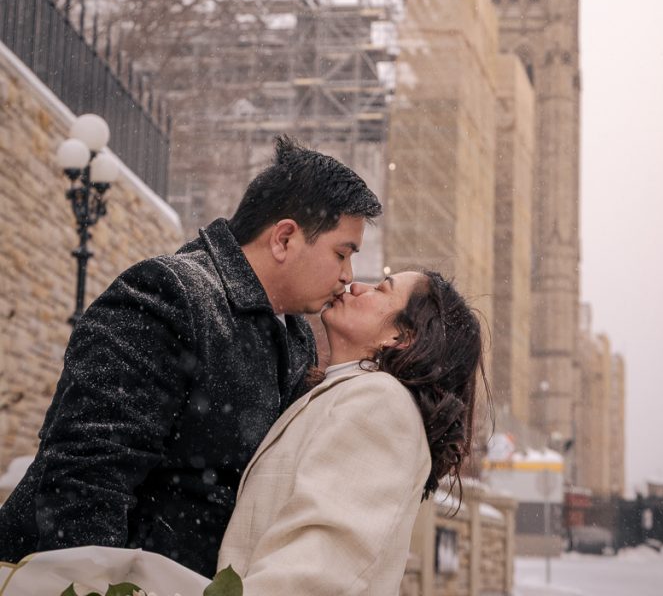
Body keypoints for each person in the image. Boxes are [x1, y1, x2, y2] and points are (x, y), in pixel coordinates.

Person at [0, 135, 381, 578]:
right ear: (284, 238)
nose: (347, 275)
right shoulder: (167, 294)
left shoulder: (295, 338)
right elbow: (88, 473)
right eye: (342, 253)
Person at [217, 268, 487, 596]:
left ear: (400, 337)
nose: (355, 285)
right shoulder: (342, 394)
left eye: (381, 289)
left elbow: (320, 566)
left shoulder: (381, 403)